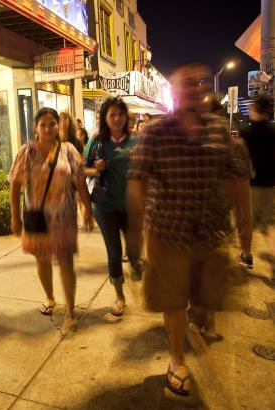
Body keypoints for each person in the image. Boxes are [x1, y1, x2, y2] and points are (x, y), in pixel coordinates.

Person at [126, 62, 252, 397]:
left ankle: (195, 325)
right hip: (169, 234)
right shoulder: (155, 132)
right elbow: (136, 182)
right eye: (186, 83)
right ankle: (177, 358)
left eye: (198, 82)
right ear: (174, 91)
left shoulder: (217, 129)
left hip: (210, 234)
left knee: (209, 298)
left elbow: (235, 179)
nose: (194, 88)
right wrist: (136, 236)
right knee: (174, 301)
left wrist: (244, 224)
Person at [9, 107, 93, 335]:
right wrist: (14, 215)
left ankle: (71, 312)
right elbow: (15, 184)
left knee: (66, 261)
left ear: (58, 126)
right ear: (36, 127)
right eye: (43, 124)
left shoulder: (68, 150)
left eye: (52, 124)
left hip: (63, 215)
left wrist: (87, 208)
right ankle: (50, 297)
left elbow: (80, 180)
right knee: (42, 259)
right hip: (37, 216)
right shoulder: (26, 152)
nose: (47, 128)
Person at [84, 97, 141, 317]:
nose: (117, 119)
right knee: (114, 253)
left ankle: (136, 267)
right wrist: (95, 169)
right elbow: (82, 169)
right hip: (105, 206)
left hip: (132, 206)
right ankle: (120, 297)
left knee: (135, 251)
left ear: (126, 116)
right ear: (105, 118)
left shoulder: (136, 141)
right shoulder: (97, 141)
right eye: (112, 115)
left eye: (120, 114)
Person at [239, 95, 275, 270]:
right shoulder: (273, 131)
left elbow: (240, 159)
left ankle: (246, 256)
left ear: (254, 109)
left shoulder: (246, 132)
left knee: (247, 222)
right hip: (270, 183)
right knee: (268, 223)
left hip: (250, 184)